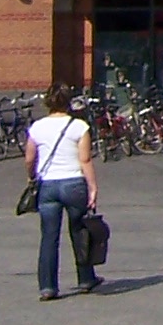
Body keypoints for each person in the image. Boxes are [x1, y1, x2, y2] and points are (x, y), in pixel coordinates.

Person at [24, 84, 100, 301]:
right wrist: (93, 187)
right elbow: (85, 160)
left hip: (48, 185)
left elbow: (29, 158)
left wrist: (31, 177)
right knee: (79, 231)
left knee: (49, 236)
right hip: (74, 183)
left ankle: (48, 286)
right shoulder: (79, 126)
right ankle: (86, 278)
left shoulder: (37, 127)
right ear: (69, 102)